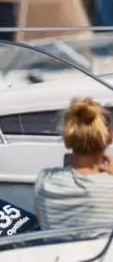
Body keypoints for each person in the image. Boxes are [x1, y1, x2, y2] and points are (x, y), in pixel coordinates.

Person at [33, 97, 113, 230]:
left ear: (67, 137)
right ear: (110, 136)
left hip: (55, 250)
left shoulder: (45, 179)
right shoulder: (109, 185)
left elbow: (40, 218)